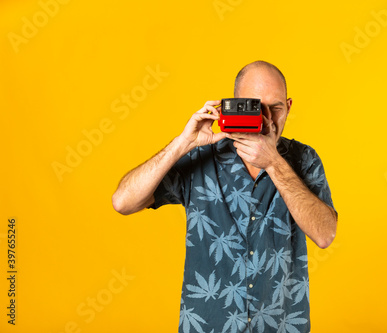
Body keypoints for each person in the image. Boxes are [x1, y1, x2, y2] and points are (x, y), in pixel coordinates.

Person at [112, 60, 338, 333]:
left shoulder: (304, 159)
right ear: (233, 105)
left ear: (288, 107)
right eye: (255, 107)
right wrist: (183, 142)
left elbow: (325, 234)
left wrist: (274, 163)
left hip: (280, 325)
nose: (266, 119)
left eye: (275, 108)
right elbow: (123, 202)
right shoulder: (201, 157)